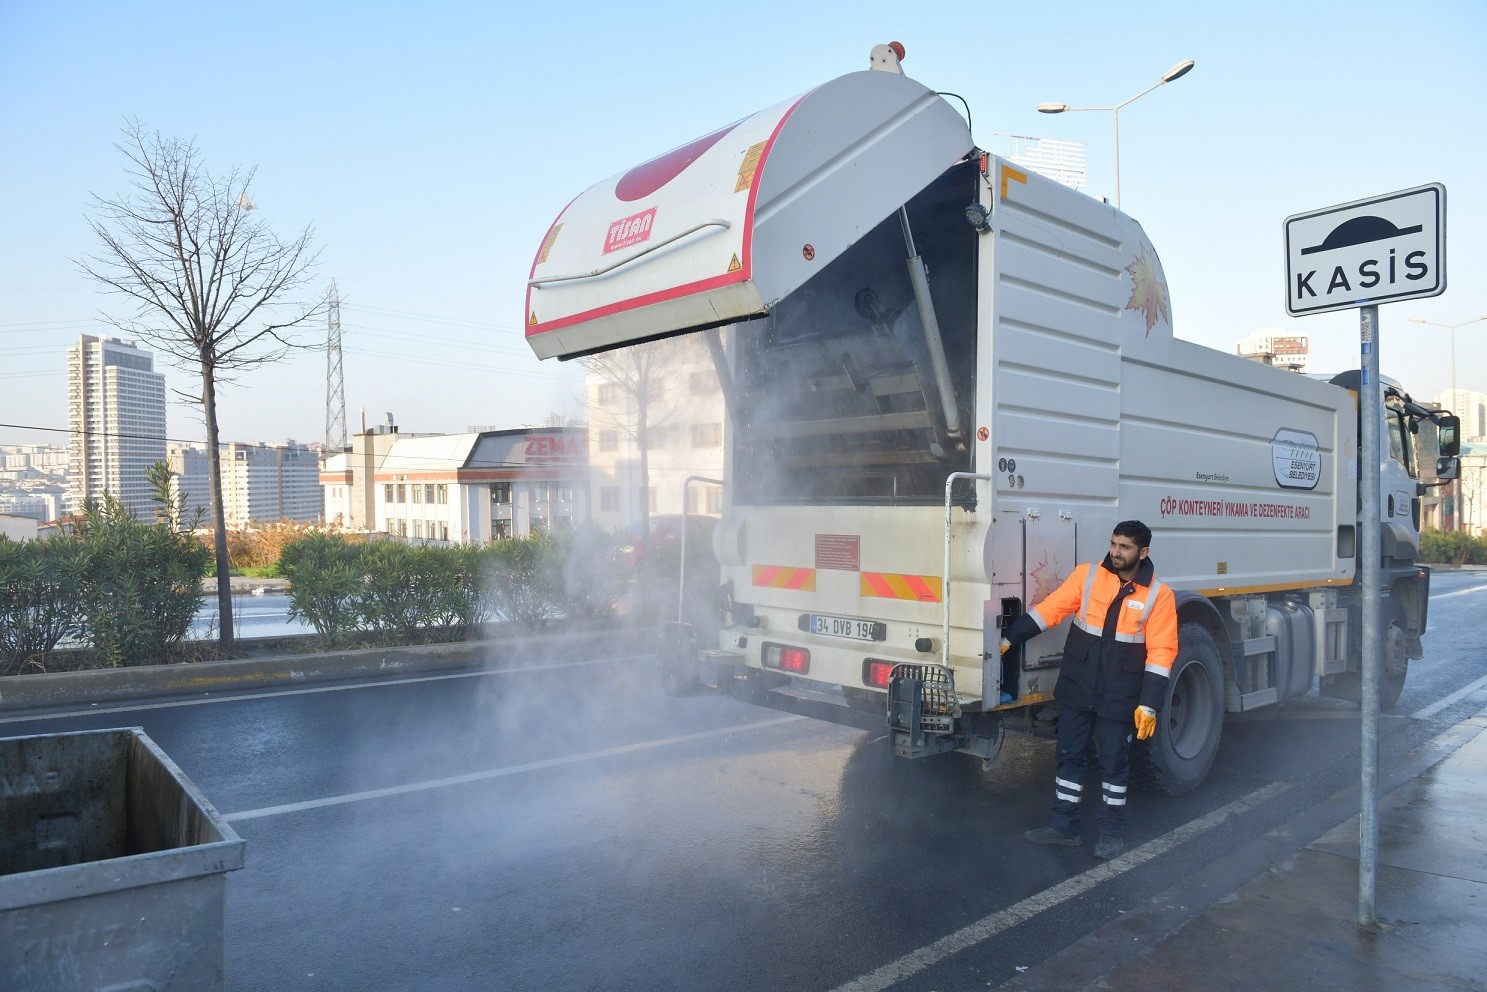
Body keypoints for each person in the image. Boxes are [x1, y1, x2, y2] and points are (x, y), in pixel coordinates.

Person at [999, 520, 1177, 860]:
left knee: (1113, 765)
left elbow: (1162, 653)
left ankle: (1111, 832)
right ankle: (1063, 828)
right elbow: (1051, 610)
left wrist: (1149, 705)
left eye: (1125, 547)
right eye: (1114, 543)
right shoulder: (1088, 575)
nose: (1116, 552)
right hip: (1079, 688)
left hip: (1119, 696)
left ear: (1144, 552)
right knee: (1068, 756)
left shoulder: (1159, 596)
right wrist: (1011, 637)